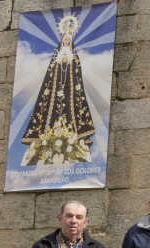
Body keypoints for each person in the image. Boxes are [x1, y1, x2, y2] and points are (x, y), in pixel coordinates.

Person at [21, 14, 95, 165]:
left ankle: (73, 138)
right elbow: (50, 75)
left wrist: (69, 63)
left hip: (69, 90)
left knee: (71, 109)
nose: (67, 41)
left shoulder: (74, 56)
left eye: (69, 39)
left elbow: (77, 74)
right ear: (62, 41)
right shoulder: (56, 55)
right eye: (65, 39)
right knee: (50, 109)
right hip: (55, 91)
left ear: (71, 41)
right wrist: (60, 62)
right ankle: (45, 137)